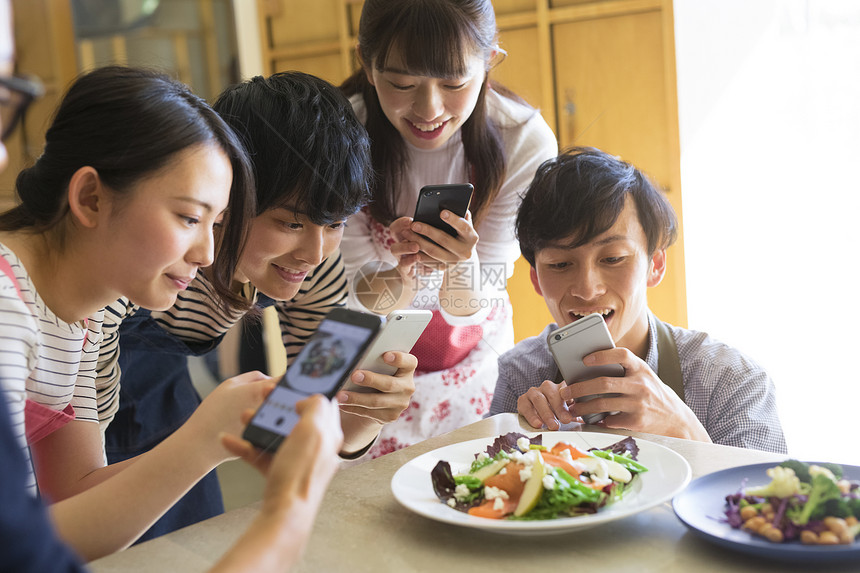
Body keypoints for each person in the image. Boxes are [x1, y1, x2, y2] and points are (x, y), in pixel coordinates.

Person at [0, 6, 344, 570]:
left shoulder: (92, 316)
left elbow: (75, 495)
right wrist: (213, 447)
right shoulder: (8, 311)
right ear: (90, 198)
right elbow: (21, 548)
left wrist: (210, 439)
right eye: (189, 218)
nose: (209, 253)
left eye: (217, 223)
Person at [96, 71, 418, 539]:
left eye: (336, 222)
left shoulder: (316, 260)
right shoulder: (145, 260)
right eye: (289, 223)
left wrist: (360, 413)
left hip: (169, 404)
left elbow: (298, 409)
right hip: (71, 410)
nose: (315, 252)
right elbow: (73, 492)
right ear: (228, 195)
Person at [339, 0, 558, 456]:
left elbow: (478, 298)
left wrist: (463, 266)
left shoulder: (522, 140)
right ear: (366, 61)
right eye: (401, 83)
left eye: (454, 82)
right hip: (372, 353)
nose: (429, 108)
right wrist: (400, 276)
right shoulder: (342, 135)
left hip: (474, 354)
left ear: (490, 61)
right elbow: (362, 296)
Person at [488, 147, 787, 454]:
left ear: (655, 265)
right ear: (536, 279)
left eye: (613, 258)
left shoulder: (732, 380)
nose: (587, 289)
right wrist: (517, 444)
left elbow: (767, 497)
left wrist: (682, 427)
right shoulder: (520, 374)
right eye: (560, 264)